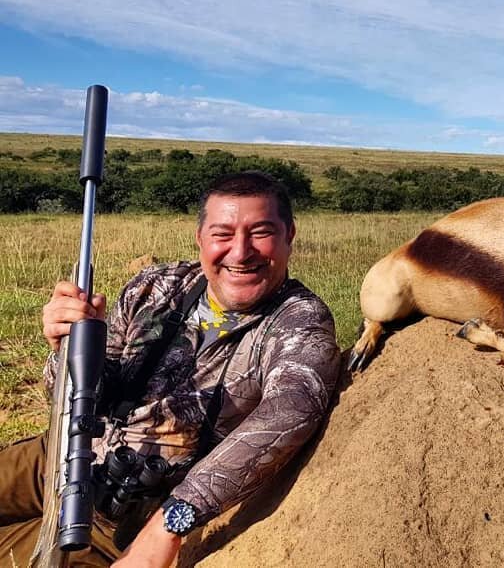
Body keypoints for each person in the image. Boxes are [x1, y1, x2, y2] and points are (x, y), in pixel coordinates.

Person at [0, 170, 340, 567]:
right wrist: (69, 350)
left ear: (289, 236)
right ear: (201, 239)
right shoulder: (156, 285)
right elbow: (79, 395)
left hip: (127, 522)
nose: (240, 251)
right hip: (58, 456)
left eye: (260, 232)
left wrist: (170, 523)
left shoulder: (300, 320)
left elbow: (292, 411)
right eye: (223, 234)